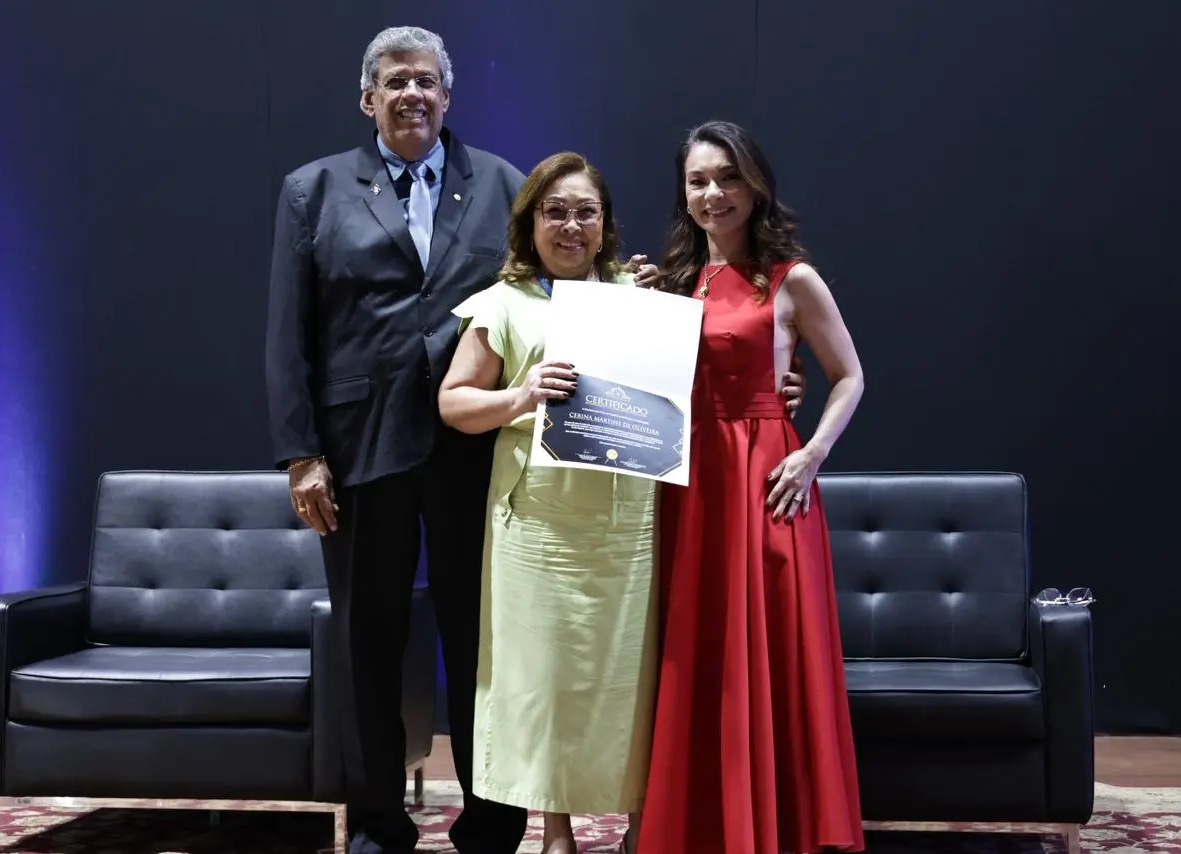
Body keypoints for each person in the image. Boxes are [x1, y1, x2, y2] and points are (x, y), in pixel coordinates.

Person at [264, 26, 668, 854]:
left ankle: (492, 818)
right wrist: (300, 452)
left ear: (448, 97)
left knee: (485, 639)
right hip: (359, 448)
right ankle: (378, 818)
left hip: (477, 452)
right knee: (368, 638)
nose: (411, 94)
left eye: (426, 82)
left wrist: (633, 292)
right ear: (367, 98)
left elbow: (559, 279)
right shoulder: (313, 189)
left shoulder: (504, 184)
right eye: (394, 81)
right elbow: (286, 331)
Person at [635, 120, 867, 854]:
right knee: (696, 649)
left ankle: (777, 826)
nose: (713, 194)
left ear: (755, 184)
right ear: (684, 191)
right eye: (699, 180)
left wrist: (812, 455)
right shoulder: (674, 280)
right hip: (689, 478)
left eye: (727, 178)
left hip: (764, 473)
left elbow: (851, 377)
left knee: (768, 649)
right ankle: (700, 824)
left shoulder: (790, 276)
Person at [437, 152, 658, 854]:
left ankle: (637, 825)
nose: (570, 225)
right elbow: (453, 403)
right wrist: (523, 395)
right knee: (549, 688)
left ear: (606, 225)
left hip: (628, 526)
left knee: (631, 680)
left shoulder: (639, 295)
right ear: (530, 222)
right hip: (537, 527)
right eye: (554, 211)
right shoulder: (501, 302)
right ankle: (556, 832)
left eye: (585, 212)